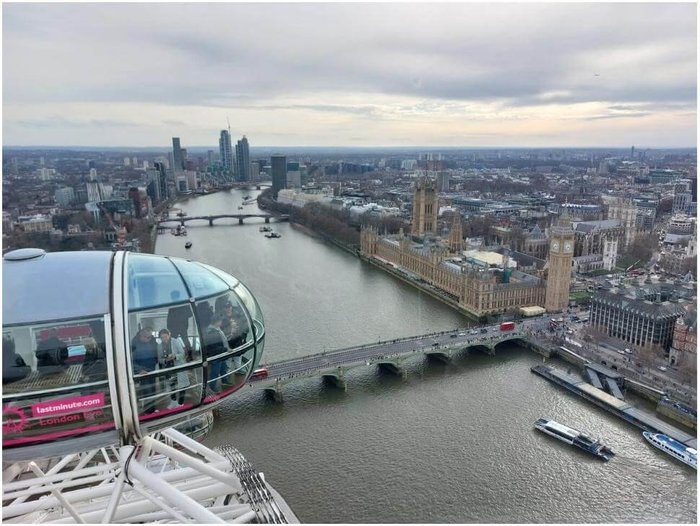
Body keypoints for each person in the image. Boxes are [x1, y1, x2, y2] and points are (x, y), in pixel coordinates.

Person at [158, 329, 189, 404]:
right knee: (172, 385)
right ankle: (174, 402)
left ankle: (181, 403)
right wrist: (165, 360)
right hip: (168, 368)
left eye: (165, 336)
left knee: (182, 386)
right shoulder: (159, 346)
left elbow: (182, 354)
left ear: (169, 335)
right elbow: (159, 359)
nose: (164, 339)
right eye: (162, 338)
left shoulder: (175, 341)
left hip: (178, 366)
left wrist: (175, 357)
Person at [131, 327, 158, 412]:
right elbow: (130, 361)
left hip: (152, 369)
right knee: (147, 391)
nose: (148, 339)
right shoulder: (133, 344)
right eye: (146, 337)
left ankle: (152, 410)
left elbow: (157, 352)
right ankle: (148, 411)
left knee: (153, 390)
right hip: (142, 372)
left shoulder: (152, 341)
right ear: (140, 336)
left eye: (150, 337)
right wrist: (139, 370)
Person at [203, 315, 230, 392]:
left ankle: (224, 380)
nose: (221, 322)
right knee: (215, 372)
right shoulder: (212, 333)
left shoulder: (216, 329)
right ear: (217, 322)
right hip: (216, 355)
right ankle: (212, 387)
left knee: (223, 367)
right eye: (220, 321)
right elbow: (214, 347)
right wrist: (226, 349)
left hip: (221, 353)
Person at [167, 290, 193, 360]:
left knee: (172, 341)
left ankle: (173, 355)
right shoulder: (184, 303)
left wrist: (169, 326)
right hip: (182, 326)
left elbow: (169, 317)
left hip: (176, 327)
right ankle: (190, 356)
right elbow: (190, 314)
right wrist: (183, 317)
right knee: (185, 341)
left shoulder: (172, 305)